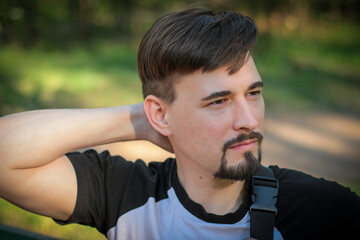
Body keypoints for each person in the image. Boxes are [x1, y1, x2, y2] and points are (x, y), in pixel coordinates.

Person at [0, 8, 359, 240]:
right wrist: (141, 121)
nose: (249, 120)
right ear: (160, 114)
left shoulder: (320, 209)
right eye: (218, 101)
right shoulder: (126, 194)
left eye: (253, 93)